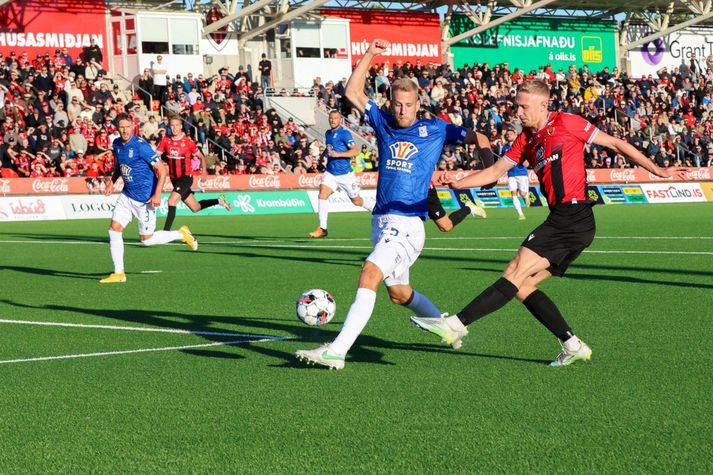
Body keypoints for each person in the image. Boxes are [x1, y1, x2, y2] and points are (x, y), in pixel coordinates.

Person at [410, 79, 687, 366]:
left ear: (544, 105)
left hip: (573, 216)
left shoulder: (568, 122)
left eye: (523, 107)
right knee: (522, 286)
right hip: (567, 220)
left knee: (514, 271)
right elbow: (494, 172)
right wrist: (459, 182)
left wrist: (658, 170)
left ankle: (456, 323)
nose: (518, 112)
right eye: (516, 106)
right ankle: (572, 344)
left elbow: (615, 143)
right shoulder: (525, 140)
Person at [296, 39, 480, 369]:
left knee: (369, 273)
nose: (402, 110)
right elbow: (353, 93)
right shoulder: (383, 123)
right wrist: (369, 55)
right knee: (399, 294)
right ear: (390, 102)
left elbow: (475, 136)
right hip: (382, 221)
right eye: (397, 104)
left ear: (417, 103)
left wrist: (487, 165)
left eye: (408, 104)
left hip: (407, 223)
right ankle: (448, 329)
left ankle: (337, 351)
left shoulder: (435, 129)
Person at [100, 113, 198, 284]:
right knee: (113, 230)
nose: (125, 130)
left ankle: (180, 234)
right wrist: (112, 182)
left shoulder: (141, 146)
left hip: (145, 199)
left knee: (147, 240)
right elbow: (119, 165)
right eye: (122, 127)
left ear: (133, 126)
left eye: (128, 126)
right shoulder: (116, 143)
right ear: (117, 128)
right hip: (127, 195)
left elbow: (162, 170)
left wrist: (157, 194)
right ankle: (119, 273)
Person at [156, 115, 232, 231]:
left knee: (171, 201)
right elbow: (156, 156)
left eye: (177, 125)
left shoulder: (187, 142)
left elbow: (201, 157)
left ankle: (166, 232)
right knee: (195, 207)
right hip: (174, 179)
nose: (175, 128)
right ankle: (219, 200)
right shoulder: (165, 140)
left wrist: (204, 172)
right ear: (169, 126)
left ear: (181, 126)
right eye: (172, 125)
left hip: (186, 177)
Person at [308, 110, 375, 238]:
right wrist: (322, 157)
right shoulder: (328, 133)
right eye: (331, 118)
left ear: (340, 120)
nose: (333, 120)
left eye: (335, 118)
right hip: (331, 172)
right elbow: (329, 149)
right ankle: (323, 228)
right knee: (322, 194)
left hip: (345, 174)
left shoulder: (345, 134)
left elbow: (355, 151)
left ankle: (377, 209)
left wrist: (339, 154)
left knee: (356, 201)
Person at [503, 124, 530, 220]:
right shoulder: (504, 148)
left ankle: (526, 196)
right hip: (511, 174)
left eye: (511, 134)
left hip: (521, 173)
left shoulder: (520, 145)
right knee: (513, 194)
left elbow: (526, 159)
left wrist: (522, 161)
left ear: (515, 135)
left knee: (522, 194)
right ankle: (520, 214)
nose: (509, 135)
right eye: (507, 134)